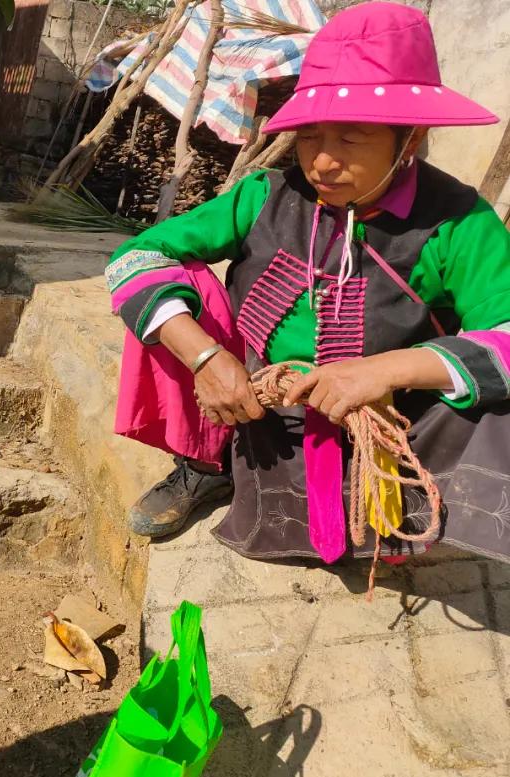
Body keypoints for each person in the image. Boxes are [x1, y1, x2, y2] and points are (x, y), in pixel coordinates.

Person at [109, 1, 510, 565]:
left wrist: (383, 372)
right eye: (309, 135)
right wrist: (205, 359)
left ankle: (418, 501)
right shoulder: (266, 195)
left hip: (391, 418)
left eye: (350, 139)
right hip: (252, 401)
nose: (321, 161)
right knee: (168, 289)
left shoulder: (458, 221)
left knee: (493, 386)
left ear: (410, 139)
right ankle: (208, 462)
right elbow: (135, 257)